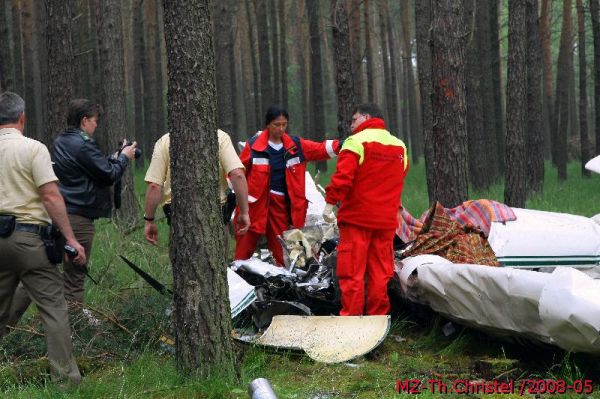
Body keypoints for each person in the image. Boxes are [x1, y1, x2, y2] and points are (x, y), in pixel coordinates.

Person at [8, 99, 138, 322]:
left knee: (37, 274)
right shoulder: (84, 144)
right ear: (84, 120)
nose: (96, 125)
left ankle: (8, 324)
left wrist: (114, 158)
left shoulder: (61, 141)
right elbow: (108, 174)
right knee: (75, 275)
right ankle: (75, 327)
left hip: (59, 216)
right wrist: (124, 157)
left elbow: (87, 170)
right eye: (95, 121)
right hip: (78, 219)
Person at [0, 91, 86, 385]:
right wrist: (70, 239)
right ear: (22, 117)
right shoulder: (33, 149)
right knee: (53, 309)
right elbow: (50, 195)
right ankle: (65, 381)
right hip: (28, 240)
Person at [323, 103, 409, 316]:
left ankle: (351, 322)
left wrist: (329, 203)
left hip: (356, 221)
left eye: (354, 120)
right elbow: (398, 179)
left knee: (352, 273)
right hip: (386, 222)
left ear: (366, 117)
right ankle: (378, 322)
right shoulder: (400, 146)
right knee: (380, 274)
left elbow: (343, 179)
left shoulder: (355, 142)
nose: (351, 125)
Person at [234, 105, 342, 266]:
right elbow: (237, 170)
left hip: (281, 207)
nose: (281, 128)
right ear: (268, 125)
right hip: (255, 206)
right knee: (243, 249)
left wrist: (341, 145)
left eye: (284, 124)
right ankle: (237, 279)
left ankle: (285, 280)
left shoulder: (296, 145)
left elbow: (319, 149)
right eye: (277, 125)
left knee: (282, 250)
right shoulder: (254, 146)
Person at [143, 130, 250, 246]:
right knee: (219, 262)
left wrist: (149, 221)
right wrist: (244, 212)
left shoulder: (163, 142)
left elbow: (154, 186)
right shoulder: (220, 137)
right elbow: (237, 174)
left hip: (179, 223)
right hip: (217, 218)